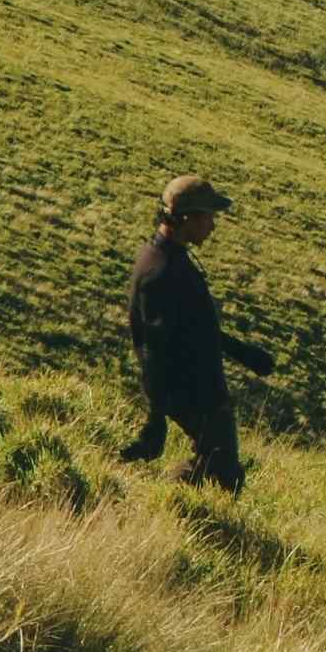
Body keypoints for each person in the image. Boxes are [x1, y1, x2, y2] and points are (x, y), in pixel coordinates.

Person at [117, 175, 274, 491]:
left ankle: (157, 497)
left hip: (199, 386)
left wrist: (244, 353)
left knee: (220, 469)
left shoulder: (169, 258)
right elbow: (153, 348)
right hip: (189, 389)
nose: (213, 226)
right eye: (208, 217)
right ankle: (152, 497)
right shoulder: (160, 271)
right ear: (187, 218)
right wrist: (155, 416)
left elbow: (194, 326)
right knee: (221, 471)